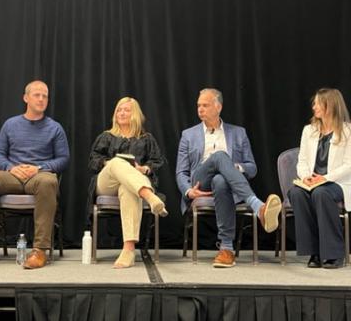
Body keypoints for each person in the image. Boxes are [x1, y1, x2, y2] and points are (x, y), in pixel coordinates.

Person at [176, 88, 282, 268]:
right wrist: (188, 191)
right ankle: (257, 206)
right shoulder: (189, 135)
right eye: (198, 105)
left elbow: (252, 167)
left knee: (221, 180)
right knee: (218, 156)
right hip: (200, 182)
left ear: (218, 107)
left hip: (227, 186)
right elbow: (181, 171)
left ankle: (226, 249)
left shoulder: (238, 133)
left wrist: (236, 168)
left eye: (205, 105)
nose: (200, 109)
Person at [0, 80, 69, 270]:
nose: (41, 99)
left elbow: (63, 159)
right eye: (37, 95)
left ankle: (40, 250)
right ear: (26, 98)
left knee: (48, 182)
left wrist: (39, 168)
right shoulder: (11, 124)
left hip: (39, 176)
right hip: (13, 175)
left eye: (45, 96)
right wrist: (10, 167)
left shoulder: (55, 128)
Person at [88, 97, 167, 269]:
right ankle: (149, 195)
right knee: (117, 162)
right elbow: (93, 161)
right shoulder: (107, 136)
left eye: (126, 110)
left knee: (127, 188)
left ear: (136, 114)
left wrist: (144, 169)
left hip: (133, 183)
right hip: (107, 183)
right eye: (119, 110)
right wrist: (108, 164)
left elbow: (157, 161)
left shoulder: (146, 138)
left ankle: (128, 250)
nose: (122, 113)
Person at [289, 88, 351, 269]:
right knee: (296, 193)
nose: (314, 107)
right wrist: (307, 177)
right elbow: (302, 161)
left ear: (329, 105)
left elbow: (348, 165)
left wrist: (323, 178)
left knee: (321, 194)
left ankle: (334, 253)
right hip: (313, 182)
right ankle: (314, 252)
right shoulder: (309, 130)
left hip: (337, 183)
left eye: (317, 103)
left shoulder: (347, 131)